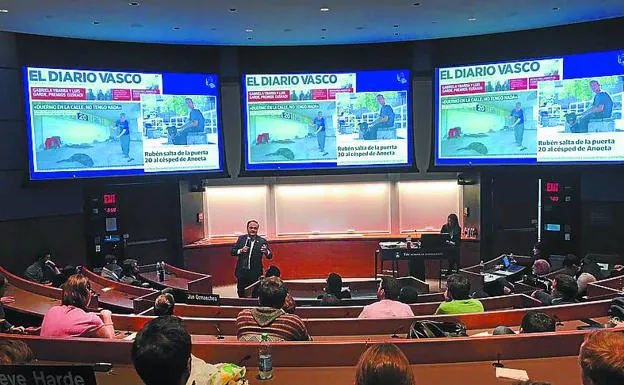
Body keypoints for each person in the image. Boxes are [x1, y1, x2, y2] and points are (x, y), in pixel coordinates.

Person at [235, 277, 310, 341]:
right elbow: (307, 345)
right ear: (284, 301)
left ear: (259, 300)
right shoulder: (293, 322)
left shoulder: (243, 317)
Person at [40, 274, 115, 338]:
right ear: (87, 294)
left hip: (45, 355)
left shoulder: (51, 311)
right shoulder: (90, 319)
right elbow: (111, 342)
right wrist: (107, 316)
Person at [230, 220, 273, 298]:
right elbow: (232, 251)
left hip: (255, 274)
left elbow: (270, 256)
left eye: (255, 228)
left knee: (255, 295)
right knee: (241, 293)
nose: (253, 230)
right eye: (251, 228)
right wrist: (240, 250)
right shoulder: (241, 239)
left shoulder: (262, 241)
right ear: (247, 228)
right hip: (242, 272)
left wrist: (266, 251)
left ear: (257, 229)